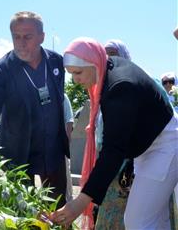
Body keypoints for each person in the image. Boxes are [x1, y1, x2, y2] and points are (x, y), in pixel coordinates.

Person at [49, 37, 177, 230]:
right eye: (71, 74)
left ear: (93, 63)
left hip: (164, 146)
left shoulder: (119, 87)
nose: (75, 80)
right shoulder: (109, 68)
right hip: (150, 146)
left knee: (138, 221)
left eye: (78, 72)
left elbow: (113, 150)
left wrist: (81, 201)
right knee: (155, 220)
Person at [0, 11, 69, 205]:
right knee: (20, 207)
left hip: (52, 147)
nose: (21, 43)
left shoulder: (56, 62)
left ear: (41, 37)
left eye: (27, 37)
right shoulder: (2, 69)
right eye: (16, 37)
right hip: (18, 150)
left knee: (59, 205)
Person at [92, 39, 133, 230]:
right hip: (107, 161)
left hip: (128, 165)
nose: (109, 59)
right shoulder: (102, 89)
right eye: (105, 54)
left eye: (113, 53)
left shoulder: (129, 85)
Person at [63, 94, 74, 202]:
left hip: (60, 145)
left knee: (65, 175)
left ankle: (68, 202)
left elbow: (69, 121)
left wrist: (66, 144)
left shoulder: (63, 96)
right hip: (45, 147)